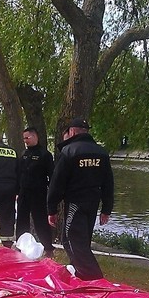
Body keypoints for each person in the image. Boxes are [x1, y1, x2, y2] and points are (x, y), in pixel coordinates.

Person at [47, 118, 114, 280]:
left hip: (75, 203)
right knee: (81, 242)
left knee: (70, 241)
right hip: (93, 203)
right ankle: (80, 274)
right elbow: (108, 183)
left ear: (72, 132)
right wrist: (106, 209)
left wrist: (52, 209)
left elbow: (57, 183)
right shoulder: (101, 152)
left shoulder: (69, 151)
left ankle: (93, 278)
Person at [16, 127, 54, 257]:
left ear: (35, 137)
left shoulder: (45, 155)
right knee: (21, 220)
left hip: (38, 194)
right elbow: (18, 174)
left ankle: (48, 247)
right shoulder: (23, 154)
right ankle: (20, 245)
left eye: (27, 138)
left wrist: (51, 193)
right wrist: (17, 191)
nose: (25, 141)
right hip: (23, 193)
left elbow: (52, 176)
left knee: (41, 221)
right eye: (24, 138)